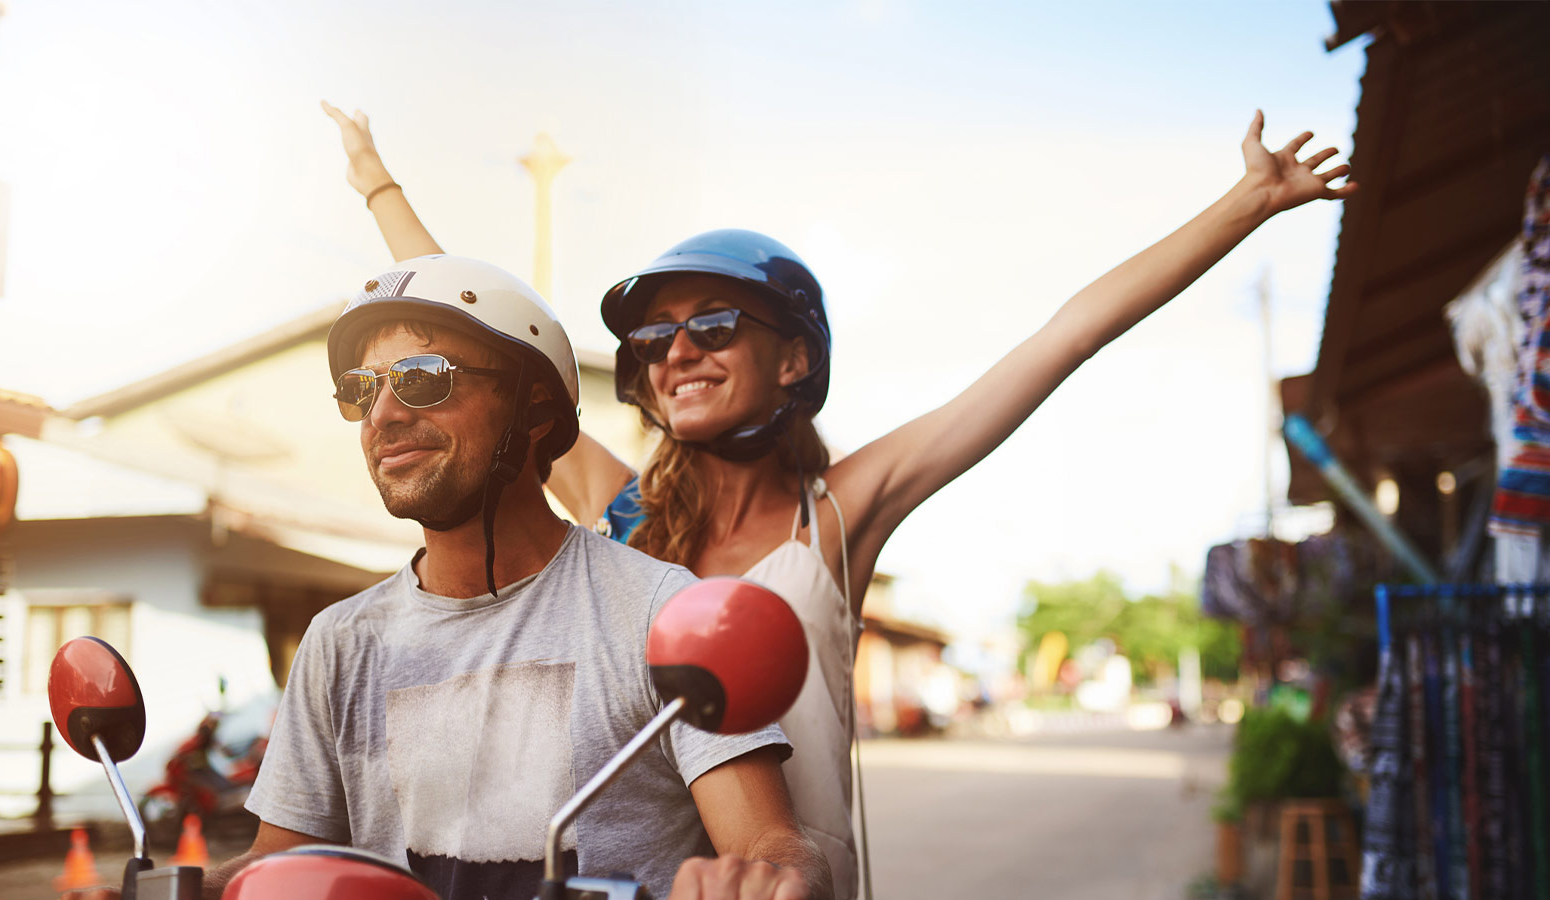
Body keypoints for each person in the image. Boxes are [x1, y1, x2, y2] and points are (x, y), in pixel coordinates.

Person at [324, 100, 1358, 900]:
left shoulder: (840, 511)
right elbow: (475, 335)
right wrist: (378, 184)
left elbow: (1061, 339)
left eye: (715, 324)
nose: (678, 349)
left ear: (793, 361)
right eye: (654, 338)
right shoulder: (623, 511)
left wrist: (1245, 205)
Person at [67, 256, 832, 900]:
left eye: (424, 377)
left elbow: (770, 842)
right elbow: (280, 865)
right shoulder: (340, 641)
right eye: (361, 391)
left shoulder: (658, 611)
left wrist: (763, 881)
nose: (384, 414)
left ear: (534, 406)